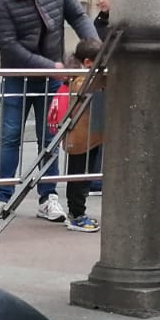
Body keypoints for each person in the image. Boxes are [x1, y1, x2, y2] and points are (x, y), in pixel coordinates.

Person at [0, 0, 96, 224]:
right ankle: (1, 196)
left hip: (52, 78)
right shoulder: (2, 1)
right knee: (10, 136)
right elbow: (9, 46)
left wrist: (95, 48)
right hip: (18, 76)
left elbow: (78, 16)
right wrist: (50, 65)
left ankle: (48, 197)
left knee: (50, 137)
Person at [60, 38, 104, 234]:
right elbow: (85, 88)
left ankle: (78, 212)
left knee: (85, 176)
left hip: (92, 134)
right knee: (78, 177)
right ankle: (76, 214)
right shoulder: (79, 79)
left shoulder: (88, 76)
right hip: (79, 138)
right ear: (88, 63)